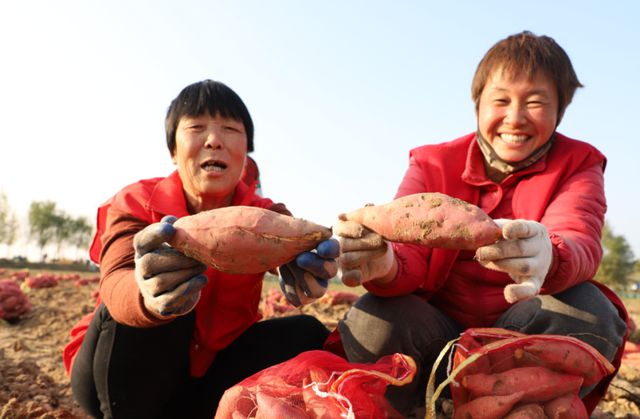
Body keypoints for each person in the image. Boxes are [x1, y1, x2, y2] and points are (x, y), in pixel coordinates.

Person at [334, 31, 629, 415]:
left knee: (591, 312)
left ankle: (516, 408)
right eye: (501, 100)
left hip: (522, 335)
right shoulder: (432, 162)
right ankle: (428, 406)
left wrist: (550, 256)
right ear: (478, 105)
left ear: (560, 110)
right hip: (435, 335)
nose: (515, 118)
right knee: (373, 319)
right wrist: (386, 263)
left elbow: (579, 233)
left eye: (536, 102)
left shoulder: (579, 163)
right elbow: (409, 245)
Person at [62, 79, 339, 418]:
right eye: (196, 128)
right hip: (125, 381)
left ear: (246, 151)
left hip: (211, 379)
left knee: (304, 333)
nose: (214, 140)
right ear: (173, 151)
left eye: (230, 129)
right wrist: (147, 296)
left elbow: (295, 248)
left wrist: (307, 266)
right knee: (168, 301)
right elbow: (116, 279)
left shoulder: (265, 215)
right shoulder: (135, 201)